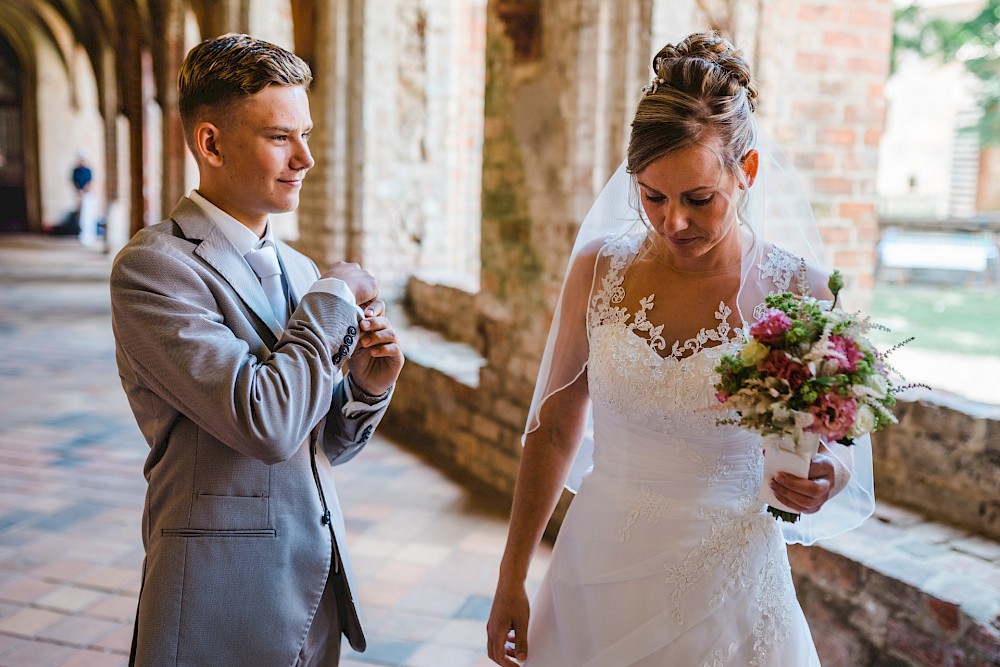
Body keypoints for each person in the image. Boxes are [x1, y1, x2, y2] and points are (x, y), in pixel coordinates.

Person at [486, 31, 875, 666]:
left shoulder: (799, 291)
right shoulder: (599, 269)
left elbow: (832, 436)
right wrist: (511, 576)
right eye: (653, 197)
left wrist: (831, 474)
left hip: (727, 587)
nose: (673, 223)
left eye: (698, 199)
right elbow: (553, 430)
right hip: (598, 568)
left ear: (745, 172)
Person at [110, 34, 404, 666]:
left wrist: (365, 390)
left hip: (315, 579)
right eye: (279, 137)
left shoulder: (298, 268)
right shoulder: (153, 268)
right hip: (220, 591)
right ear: (210, 143)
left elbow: (317, 445)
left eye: (306, 133)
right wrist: (331, 300)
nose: (305, 157)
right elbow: (265, 423)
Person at [72, 151, 98, 245]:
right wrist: (79, 191)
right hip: (80, 195)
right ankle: (83, 235)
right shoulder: (75, 170)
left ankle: (90, 237)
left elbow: (90, 182)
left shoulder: (88, 170)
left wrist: (85, 190)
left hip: (88, 195)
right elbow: (74, 181)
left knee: (88, 216)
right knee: (81, 216)